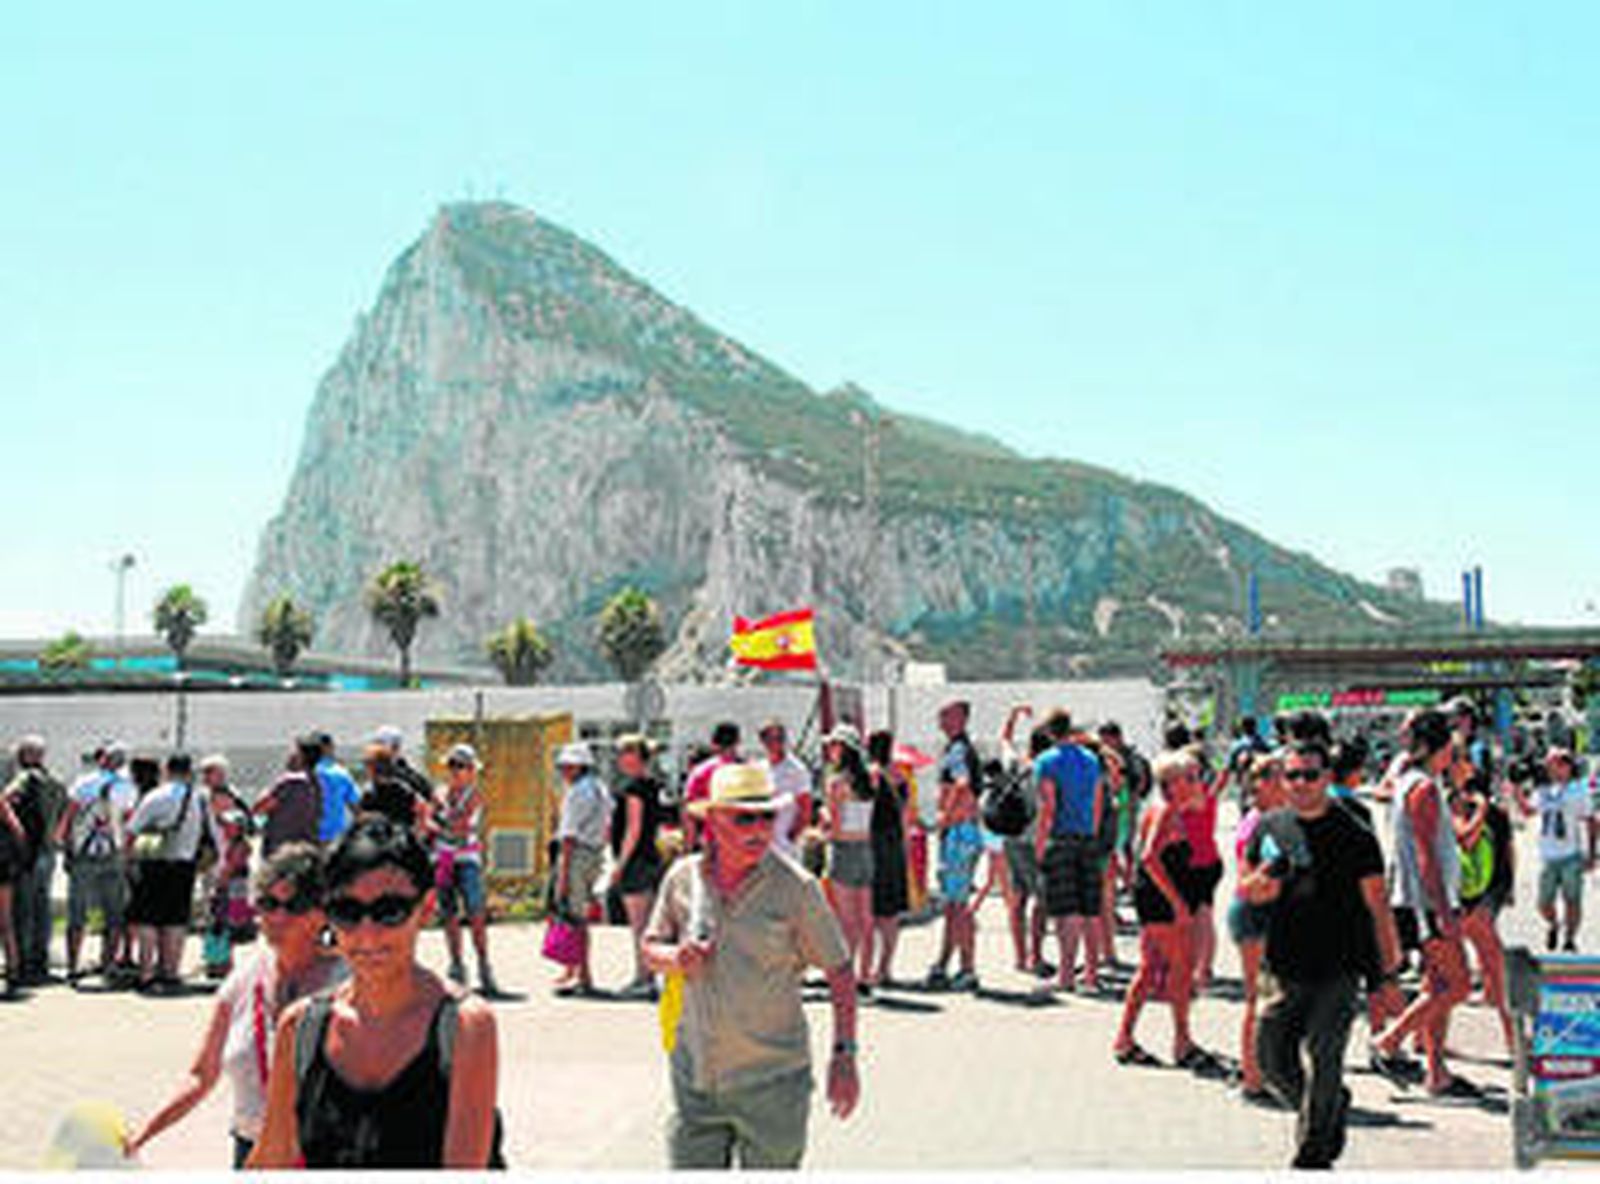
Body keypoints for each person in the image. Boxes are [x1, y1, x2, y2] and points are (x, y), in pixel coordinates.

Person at [250, 817, 502, 1168]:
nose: (367, 935)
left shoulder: (464, 1027)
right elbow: (273, 1158)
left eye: (389, 911)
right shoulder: (301, 1028)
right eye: (347, 912)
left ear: (425, 910)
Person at [642, 762, 859, 1169]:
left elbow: (840, 971)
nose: (759, 829)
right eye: (745, 818)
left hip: (773, 1086)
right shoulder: (683, 879)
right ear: (712, 822)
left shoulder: (796, 889)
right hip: (696, 1083)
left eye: (768, 816)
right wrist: (676, 958)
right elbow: (650, 946)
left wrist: (844, 1055)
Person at [1242, 736, 1405, 1169]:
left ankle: (1312, 1157)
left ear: (1327, 778)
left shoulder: (1355, 834)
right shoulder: (1269, 826)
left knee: (1325, 1056)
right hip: (1282, 965)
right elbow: (1246, 887)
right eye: (1291, 775)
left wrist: (1388, 977)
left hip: (1340, 966)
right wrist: (1261, 883)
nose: (1300, 783)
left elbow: (1378, 908)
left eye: (1310, 775)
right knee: (1270, 1060)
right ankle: (1329, 1107)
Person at [125, 843, 344, 1167]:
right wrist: (144, 1133)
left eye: (295, 905)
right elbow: (201, 1076)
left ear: (323, 912)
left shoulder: (351, 983)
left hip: (326, 1155)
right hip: (251, 1150)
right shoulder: (243, 979)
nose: (278, 917)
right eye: (268, 904)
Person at [1372, 709, 1476, 1098]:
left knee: (1437, 985)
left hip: (1420, 901)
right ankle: (1389, 1039)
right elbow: (1425, 855)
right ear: (1441, 746)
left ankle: (1436, 1072)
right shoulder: (1423, 789)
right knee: (1460, 985)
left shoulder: (1409, 781)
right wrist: (1444, 912)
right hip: (1426, 906)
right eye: (1451, 744)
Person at [1113, 751, 1215, 1070]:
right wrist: (1178, 904)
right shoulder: (1167, 811)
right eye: (1192, 777)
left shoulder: (1168, 809)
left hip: (1155, 898)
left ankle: (1126, 1038)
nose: (1199, 782)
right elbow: (1148, 858)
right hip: (1162, 902)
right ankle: (1181, 1042)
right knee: (1179, 969)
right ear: (1174, 783)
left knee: (1149, 969)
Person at [127, 752, 223, 993]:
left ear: (167, 770)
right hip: (185, 865)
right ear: (189, 771)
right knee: (176, 919)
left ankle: (147, 972)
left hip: (152, 863)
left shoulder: (155, 797)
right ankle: (170, 972)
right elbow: (212, 833)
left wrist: (127, 859)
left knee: (147, 918)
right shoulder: (199, 799)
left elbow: (132, 831)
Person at [1226, 754, 1287, 1105]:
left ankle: (1262, 1072)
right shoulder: (1257, 823)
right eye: (1279, 777)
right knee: (1258, 998)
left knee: (1273, 997)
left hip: (1267, 915)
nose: (1288, 784)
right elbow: (1248, 881)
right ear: (1259, 784)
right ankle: (1252, 1078)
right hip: (1254, 915)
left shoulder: (1271, 819)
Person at [1034, 710, 1105, 993]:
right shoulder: (1091, 760)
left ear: (1050, 732)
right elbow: (1098, 802)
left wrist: (1041, 843)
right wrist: (1093, 832)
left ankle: (1066, 975)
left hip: (1061, 837)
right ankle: (1090, 972)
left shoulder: (1047, 762)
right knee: (1091, 908)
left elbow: (1048, 807)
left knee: (1067, 909)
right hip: (1087, 835)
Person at [55, 741, 136, 983]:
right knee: (114, 912)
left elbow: (69, 815)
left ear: (102, 760)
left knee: (77, 911)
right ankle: (108, 964)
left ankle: (72, 966)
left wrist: (62, 842)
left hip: (83, 853)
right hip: (114, 853)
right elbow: (129, 821)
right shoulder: (128, 788)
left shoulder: (83, 782)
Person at [427, 743, 498, 994]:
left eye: (462, 766)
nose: (456, 771)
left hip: (467, 858)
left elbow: (459, 824)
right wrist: (436, 821)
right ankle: (456, 964)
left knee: (476, 912)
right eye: (452, 766)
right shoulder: (441, 792)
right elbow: (430, 819)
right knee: (448, 914)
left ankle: (484, 965)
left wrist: (438, 822)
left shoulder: (474, 794)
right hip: (444, 857)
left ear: (471, 770)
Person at [928, 705, 984, 992]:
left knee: (959, 906)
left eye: (946, 715)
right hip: (962, 831)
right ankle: (944, 963)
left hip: (959, 832)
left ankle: (968, 967)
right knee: (952, 903)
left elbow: (962, 785)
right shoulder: (959, 748)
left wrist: (945, 817)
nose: (940, 719)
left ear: (960, 719)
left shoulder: (959, 750)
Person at [5, 735, 68, 984]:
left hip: (26, 853)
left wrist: (15, 831)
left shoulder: (24, 778)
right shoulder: (57, 781)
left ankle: (22, 962)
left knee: (23, 908)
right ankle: (41, 960)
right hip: (49, 852)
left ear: (27, 755)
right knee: (43, 907)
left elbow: (5, 801)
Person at [550, 742, 611, 996]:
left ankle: (584, 976)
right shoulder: (600, 788)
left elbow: (568, 836)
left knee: (575, 919)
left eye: (568, 765)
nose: (564, 770)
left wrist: (562, 875)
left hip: (576, 855)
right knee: (579, 917)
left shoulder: (576, 793)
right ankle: (574, 971)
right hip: (594, 854)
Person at [608, 733, 664, 998]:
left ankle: (644, 977)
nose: (620, 759)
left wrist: (620, 864)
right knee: (648, 923)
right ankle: (647, 975)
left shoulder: (633, 789)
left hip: (636, 861)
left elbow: (633, 827)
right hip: (650, 856)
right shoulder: (652, 785)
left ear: (635, 757)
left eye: (624, 753)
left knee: (640, 926)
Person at [821, 726, 875, 989]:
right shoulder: (868, 780)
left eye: (833, 745)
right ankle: (866, 973)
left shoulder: (837, 783)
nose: (829, 751)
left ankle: (845, 973)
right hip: (865, 848)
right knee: (866, 918)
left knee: (844, 920)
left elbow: (838, 826)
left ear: (842, 749)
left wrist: (825, 821)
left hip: (844, 850)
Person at [998, 707, 1049, 976]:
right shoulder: (1047, 770)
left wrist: (1014, 716)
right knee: (1041, 899)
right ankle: (1035, 955)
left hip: (1011, 836)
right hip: (1035, 840)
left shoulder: (1015, 764)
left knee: (1017, 897)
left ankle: (1019, 955)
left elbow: (1004, 740)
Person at [865, 729, 911, 988]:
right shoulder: (899, 776)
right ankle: (885, 967)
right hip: (894, 845)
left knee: (869, 911)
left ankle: (868, 968)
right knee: (890, 913)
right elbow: (905, 817)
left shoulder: (871, 775)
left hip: (873, 843)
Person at [1536, 748, 1594, 952]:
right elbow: (1528, 810)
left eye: (1554, 763)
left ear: (1567, 766)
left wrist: (1592, 853)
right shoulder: (1543, 790)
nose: (1550, 768)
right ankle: (1553, 924)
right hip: (1548, 856)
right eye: (1548, 764)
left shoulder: (1578, 790)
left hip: (1571, 855)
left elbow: (1591, 821)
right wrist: (1516, 791)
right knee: (1543, 903)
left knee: (1572, 900)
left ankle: (1570, 939)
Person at [252, 738, 324, 858]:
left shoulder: (289, 782)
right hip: (307, 849)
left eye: (295, 752)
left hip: (280, 852)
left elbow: (259, 807)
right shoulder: (316, 783)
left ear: (301, 757)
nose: (290, 755)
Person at [682, 723, 741, 851]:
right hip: (743, 841)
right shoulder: (749, 771)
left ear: (714, 743)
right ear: (738, 742)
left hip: (712, 839)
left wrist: (689, 844)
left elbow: (689, 813)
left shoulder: (701, 772)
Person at [759, 721, 812, 860]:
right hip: (764, 842)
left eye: (780, 738)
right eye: (770, 739)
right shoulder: (759, 768)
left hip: (786, 844)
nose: (775, 743)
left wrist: (792, 836)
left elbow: (806, 808)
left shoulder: (796, 769)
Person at [358, 743, 426, 831]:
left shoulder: (401, 790)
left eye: (368, 763)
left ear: (378, 766)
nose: (365, 767)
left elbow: (413, 818)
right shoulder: (370, 791)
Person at [0, 777, 26, 995]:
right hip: (2, 868)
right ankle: (13, 971)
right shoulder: (2, 803)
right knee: (6, 921)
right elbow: (18, 831)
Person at [311, 734, 361, 845]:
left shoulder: (304, 773)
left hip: (308, 836)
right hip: (335, 838)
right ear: (329, 748)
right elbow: (356, 807)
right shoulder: (341, 774)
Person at [371, 725, 436, 808]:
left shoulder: (404, 774)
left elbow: (429, 796)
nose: (376, 750)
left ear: (395, 748)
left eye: (380, 745)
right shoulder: (406, 769)